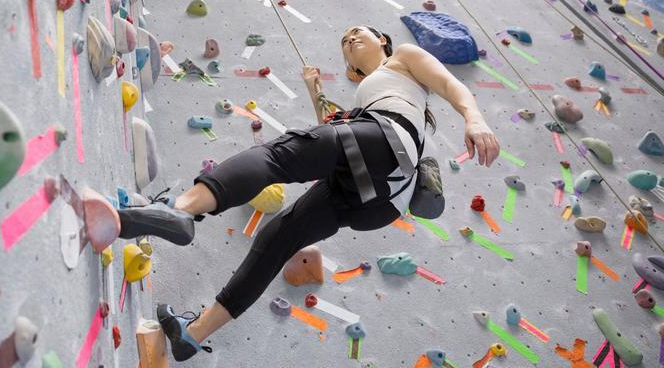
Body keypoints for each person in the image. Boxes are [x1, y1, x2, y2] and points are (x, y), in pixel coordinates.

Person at [116, 25, 500, 361]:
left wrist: (475, 118)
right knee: (278, 237)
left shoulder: (403, 58)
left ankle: (181, 210)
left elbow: (449, 84)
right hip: (379, 198)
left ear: (383, 40)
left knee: (277, 157)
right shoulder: (370, 98)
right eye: (344, 42)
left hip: (385, 147)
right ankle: (192, 335)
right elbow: (332, 140)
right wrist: (313, 88)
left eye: (358, 33)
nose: (349, 39)